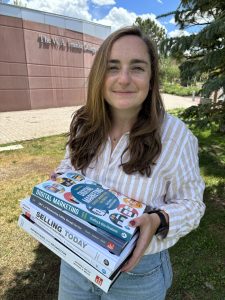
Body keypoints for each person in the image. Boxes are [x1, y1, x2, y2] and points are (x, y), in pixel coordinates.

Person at [52, 26, 205, 300]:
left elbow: (192, 204)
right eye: (113, 67)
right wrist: (56, 186)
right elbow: (67, 169)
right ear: (100, 75)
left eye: (137, 67)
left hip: (136, 274)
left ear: (151, 77)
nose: (123, 79)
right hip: (75, 261)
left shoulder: (177, 137)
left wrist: (158, 220)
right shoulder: (84, 124)